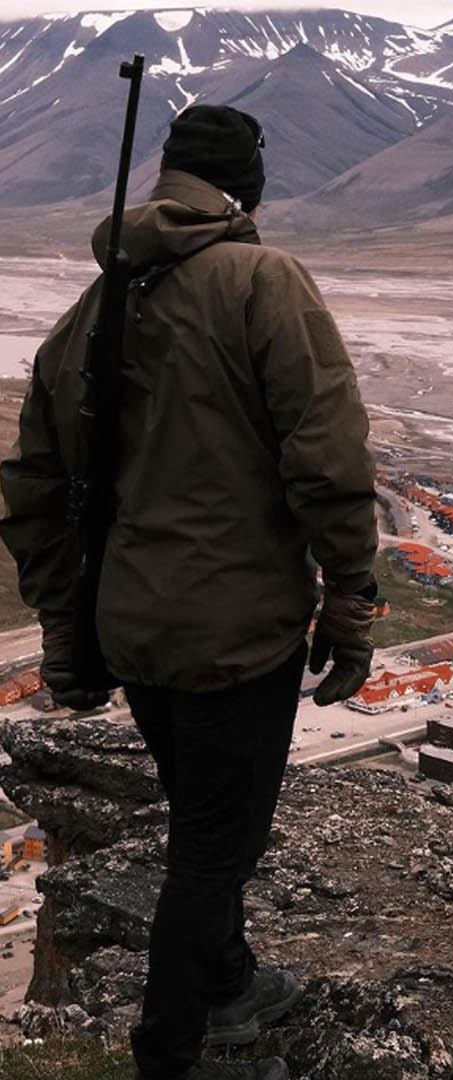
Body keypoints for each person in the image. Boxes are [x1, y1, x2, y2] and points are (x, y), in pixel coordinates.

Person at [0, 105, 379, 1080]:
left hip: (135, 633)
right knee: (215, 847)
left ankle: (230, 981)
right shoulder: (264, 282)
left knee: (201, 823)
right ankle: (171, 1051)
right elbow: (329, 459)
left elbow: (36, 490)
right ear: (248, 189)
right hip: (239, 633)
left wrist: (65, 628)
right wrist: (349, 601)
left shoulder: (87, 314)